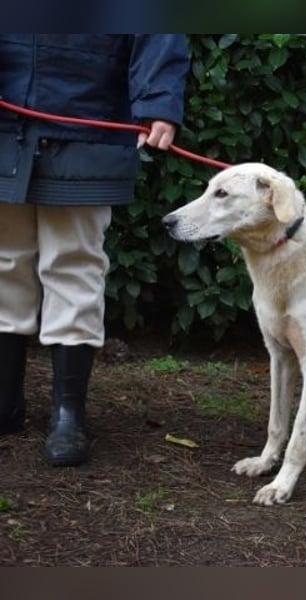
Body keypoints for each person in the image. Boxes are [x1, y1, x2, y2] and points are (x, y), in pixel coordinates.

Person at [0, 34, 190, 466]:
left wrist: (158, 101)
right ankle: (5, 403)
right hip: (5, 122)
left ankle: (69, 416)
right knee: (4, 259)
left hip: (88, 121)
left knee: (74, 261)